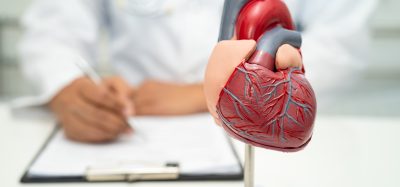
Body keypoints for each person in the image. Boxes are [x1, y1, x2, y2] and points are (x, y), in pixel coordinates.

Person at [19, 0, 376, 143]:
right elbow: (51, 32)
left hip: (276, 130)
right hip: (136, 127)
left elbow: (342, 45)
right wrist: (67, 85)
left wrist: (207, 93)